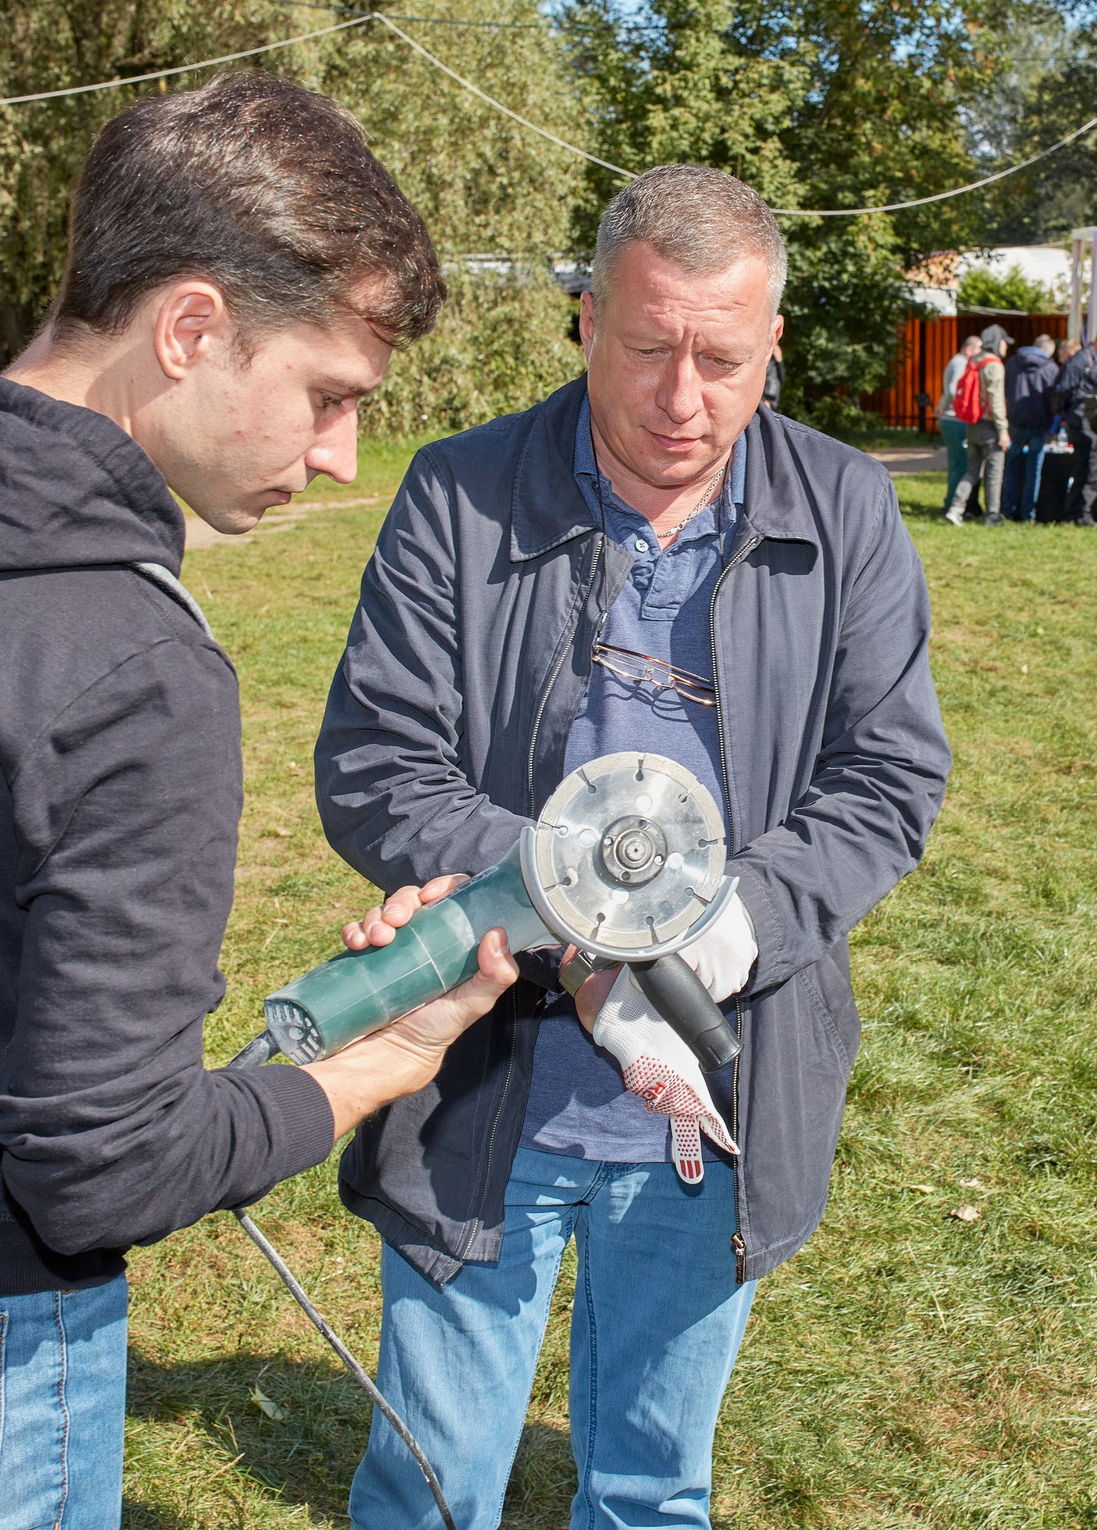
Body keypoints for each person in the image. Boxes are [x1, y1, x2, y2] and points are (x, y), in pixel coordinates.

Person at [0, 73, 516, 1530]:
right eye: (330, 396)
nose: (339, 454)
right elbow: (103, 1167)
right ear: (192, 326)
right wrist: (377, 1063)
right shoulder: (130, 662)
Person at [313, 163, 950, 1530]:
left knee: (655, 1487)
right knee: (429, 1483)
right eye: (650, 347)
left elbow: (890, 775)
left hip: (719, 1087)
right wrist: (581, 915)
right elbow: (377, 762)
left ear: (772, 342)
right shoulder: (461, 494)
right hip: (483, 1073)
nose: (684, 399)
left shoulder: (843, 512)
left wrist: (736, 923)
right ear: (586, 318)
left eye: (723, 359)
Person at [1053, 325, 1097, 527]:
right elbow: (1065, 389)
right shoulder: (1083, 359)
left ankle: (1078, 513)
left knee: (1087, 469)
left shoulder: (1093, 359)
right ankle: (1080, 514)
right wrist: (1067, 414)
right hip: (1083, 423)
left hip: (1090, 422)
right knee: (1088, 469)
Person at [948, 327, 1010, 527]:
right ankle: (992, 515)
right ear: (997, 342)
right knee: (994, 473)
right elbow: (996, 400)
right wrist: (1003, 431)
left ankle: (955, 508)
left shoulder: (974, 361)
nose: (1006, 346)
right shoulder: (994, 365)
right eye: (1004, 341)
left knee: (972, 471)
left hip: (972, 423)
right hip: (989, 425)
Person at [1002, 330, 1060, 521]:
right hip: (1039, 421)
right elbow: (1053, 398)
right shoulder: (1050, 368)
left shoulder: (1012, 362)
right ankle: (1028, 513)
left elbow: (1007, 388)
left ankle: (1006, 510)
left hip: (1016, 419)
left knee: (1011, 466)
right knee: (1034, 469)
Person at [936, 330, 983, 511]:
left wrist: (942, 405)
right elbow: (953, 390)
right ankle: (951, 504)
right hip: (955, 420)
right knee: (960, 464)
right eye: (979, 348)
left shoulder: (958, 361)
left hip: (951, 417)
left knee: (959, 463)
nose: (981, 352)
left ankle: (953, 503)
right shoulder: (961, 363)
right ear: (969, 349)